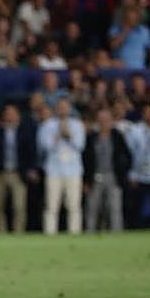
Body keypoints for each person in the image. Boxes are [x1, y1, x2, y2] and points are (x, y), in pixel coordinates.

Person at [0, 103, 37, 233]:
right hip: (0, 173)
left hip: (18, 173)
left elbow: (31, 152)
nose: (10, 116)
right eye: (7, 113)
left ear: (18, 116)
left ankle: (18, 233)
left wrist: (30, 169)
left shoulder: (25, 132)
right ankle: (1, 233)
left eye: (12, 114)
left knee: (19, 206)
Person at [38, 97, 86, 235]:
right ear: (56, 109)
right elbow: (45, 147)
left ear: (70, 108)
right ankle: (50, 234)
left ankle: (74, 233)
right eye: (60, 107)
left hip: (73, 171)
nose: (63, 109)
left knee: (74, 206)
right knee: (51, 206)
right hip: (54, 171)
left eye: (65, 107)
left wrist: (68, 134)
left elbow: (80, 146)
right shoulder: (48, 125)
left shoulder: (77, 125)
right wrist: (58, 134)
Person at [83, 107, 132, 232]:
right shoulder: (92, 137)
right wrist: (86, 180)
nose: (104, 123)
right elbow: (86, 159)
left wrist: (122, 173)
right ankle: (90, 232)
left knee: (115, 207)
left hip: (113, 176)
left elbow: (127, 156)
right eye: (101, 120)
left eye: (107, 120)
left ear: (111, 121)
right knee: (92, 207)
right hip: (95, 176)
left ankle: (117, 233)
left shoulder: (117, 137)